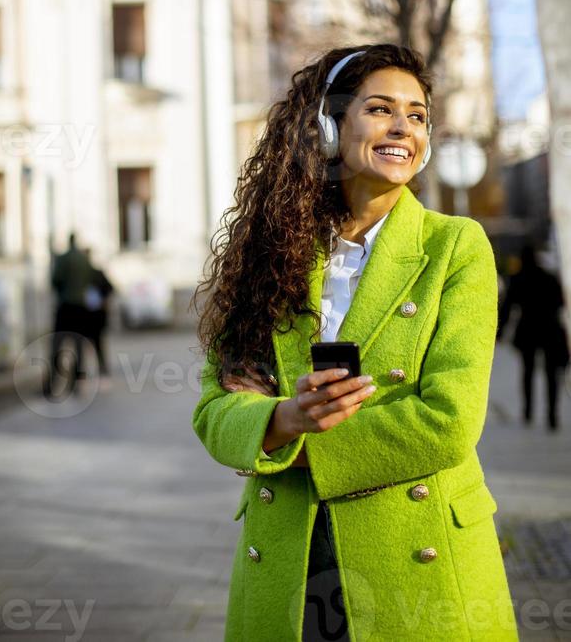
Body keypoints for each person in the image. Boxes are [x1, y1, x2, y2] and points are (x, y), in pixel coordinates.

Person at [191, 44, 519, 641]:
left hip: (416, 554)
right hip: (291, 551)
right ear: (327, 125)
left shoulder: (456, 247)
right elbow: (216, 409)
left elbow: (449, 420)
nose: (403, 128)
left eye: (418, 115)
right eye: (380, 109)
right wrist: (284, 417)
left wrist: (299, 446)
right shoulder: (272, 256)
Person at [498, 243, 569, 430]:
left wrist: (499, 333)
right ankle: (552, 415)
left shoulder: (517, 279)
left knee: (527, 372)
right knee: (551, 374)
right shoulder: (549, 277)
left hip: (528, 329)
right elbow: (560, 303)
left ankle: (528, 412)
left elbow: (507, 308)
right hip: (549, 330)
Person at [47, 232, 93, 394]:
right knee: (79, 346)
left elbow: (55, 280)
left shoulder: (63, 258)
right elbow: (91, 280)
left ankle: (52, 383)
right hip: (81, 307)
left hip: (66, 305)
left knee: (57, 346)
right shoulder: (84, 260)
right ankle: (77, 383)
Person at [83, 248, 114, 382]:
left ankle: (102, 368)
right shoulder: (81, 276)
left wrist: (104, 302)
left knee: (97, 343)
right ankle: (84, 371)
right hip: (86, 315)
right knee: (86, 344)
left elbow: (110, 288)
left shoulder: (96, 273)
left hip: (95, 315)